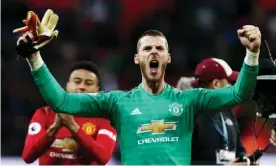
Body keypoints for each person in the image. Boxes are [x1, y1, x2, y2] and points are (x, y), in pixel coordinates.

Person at [14, 9, 261, 165]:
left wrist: (252, 53)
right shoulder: (117, 102)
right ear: (137, 58)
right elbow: (62, 102)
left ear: (168, 58)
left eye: (160, 48)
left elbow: (240, 93)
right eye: (147, 48)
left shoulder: (190, 100)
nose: (154, 51)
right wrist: (34, 58)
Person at [21, 61, 117, 165]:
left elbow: (103, 158)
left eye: (88, 83)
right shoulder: (44, 114)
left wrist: (73, 127)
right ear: (67, 85)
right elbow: (27, 157)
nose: (81, 87)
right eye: (77, 81)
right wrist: (54, 129)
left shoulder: (105, 119)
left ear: (97, 90)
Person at [190, 58, 247, 165]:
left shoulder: (227, 110)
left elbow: (239, 148)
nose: (232, 87)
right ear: (216, 84)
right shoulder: (188, 114)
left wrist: (246, 160)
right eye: (229, 82)